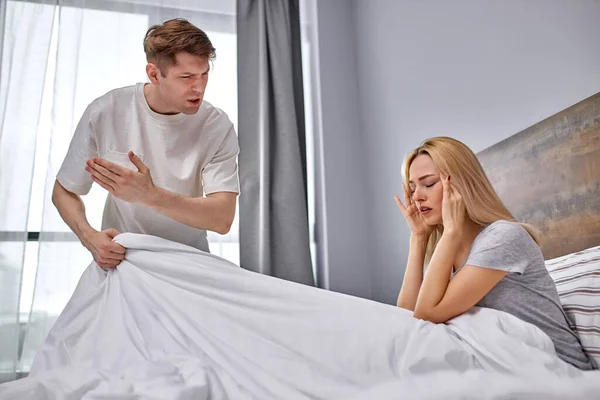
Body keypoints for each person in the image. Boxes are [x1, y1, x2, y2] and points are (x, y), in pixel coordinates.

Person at [52, 18, 239, 269]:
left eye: (204, 74)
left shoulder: (216, 126)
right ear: (154, 74)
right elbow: (64, 190)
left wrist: (149, 195)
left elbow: (222, 219)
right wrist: (90, 237)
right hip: (123, 262)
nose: (200, 86)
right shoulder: (107, 111)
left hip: (190, 264)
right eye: (187, 76)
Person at [394, 136, 594, 370]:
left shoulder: (503, 237)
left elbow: (426, 313)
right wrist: (418, 238)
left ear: (460, 185)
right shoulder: (449, 253)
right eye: (412, 187)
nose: (417, 196)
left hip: (561, 368)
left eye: (428, 184)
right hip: (507, 367)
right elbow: (406, 320)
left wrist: (450, 233)